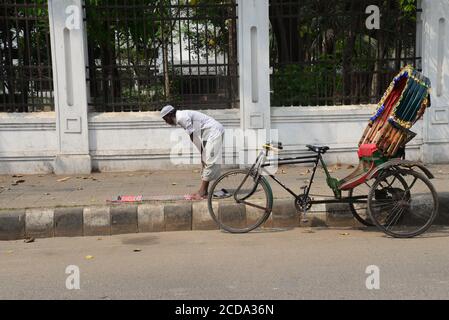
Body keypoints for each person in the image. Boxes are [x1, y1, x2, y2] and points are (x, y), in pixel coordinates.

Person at [161, 105, 224, 200]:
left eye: (166, 119)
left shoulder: (181, 117)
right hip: (209, 133)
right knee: (206, 161)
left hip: (214, 132)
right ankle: (203, 191)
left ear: (170, 115)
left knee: (209, 161)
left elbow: (193, 136)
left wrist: (202, 153)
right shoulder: (181, 116)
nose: (166, 122)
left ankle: (202, 192)